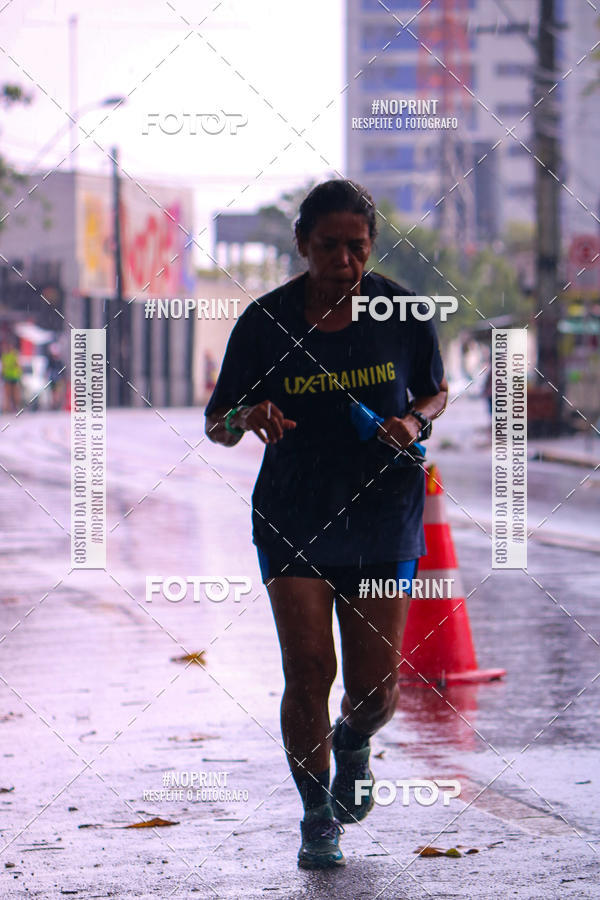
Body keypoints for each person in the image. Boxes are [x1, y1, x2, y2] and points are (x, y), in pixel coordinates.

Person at [205, 179, 448, 869]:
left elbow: (435, 386)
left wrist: (414, 420)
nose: (344, 263)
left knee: (372, 691)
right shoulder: (265, 322)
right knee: (308, 669)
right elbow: (216, 422)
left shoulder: (400, 310)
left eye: (357, 248)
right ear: (301, 245)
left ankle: (353, 741)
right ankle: (316, 815)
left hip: (381, 511)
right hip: (295, 511)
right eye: (328, 248)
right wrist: (245, 418)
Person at [1, 341, 22, 413]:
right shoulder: (4, 355)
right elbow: (3, 366)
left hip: (14, 376)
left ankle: (15, 406)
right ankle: (9, 407)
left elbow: (17, 364)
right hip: (7, 376)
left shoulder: (14, 354)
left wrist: (19, 374)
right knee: (8, 393)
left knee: (14, 393)